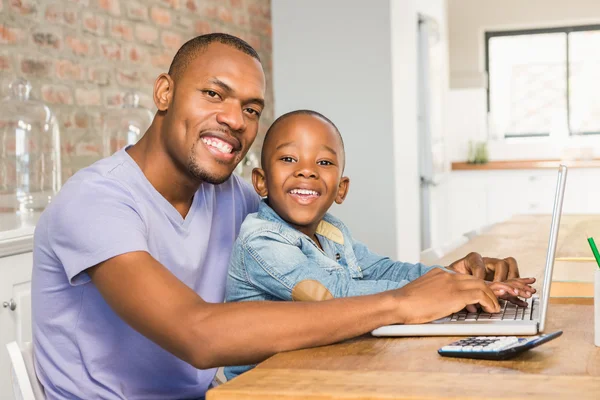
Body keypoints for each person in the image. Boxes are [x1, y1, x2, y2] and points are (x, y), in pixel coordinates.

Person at [32, 33, 526, 400]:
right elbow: (198, 334)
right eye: (213, 94)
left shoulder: (231, 197)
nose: (234, 119)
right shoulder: (95, 202)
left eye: (251, 109)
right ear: (164, 93)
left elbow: (340, 266)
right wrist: (401, 303)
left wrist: (447, 277)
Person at [224, 110, 536, 378]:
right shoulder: (261, 240)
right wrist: (435, 291)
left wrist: (453, 278)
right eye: (289, 158)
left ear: (341, 189)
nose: (306, 170)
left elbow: (384, 269)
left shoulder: (330, 230)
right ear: (261, 181)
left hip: (319, 370)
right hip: (262, 386)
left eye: (323, 162)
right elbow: (332, 295)